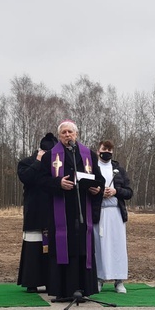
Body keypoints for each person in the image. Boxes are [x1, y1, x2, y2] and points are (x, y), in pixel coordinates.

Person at [36, 120, 104, 299]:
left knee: (82, 247)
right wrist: (58, 183)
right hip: (61, 210)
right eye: (64, 132)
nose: (67, 135)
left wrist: (97, 189)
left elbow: (99, 179)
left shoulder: (88, 154)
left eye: (70, 132)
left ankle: (83, 288)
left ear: (76, 134)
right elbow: (40, 181)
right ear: (59, 136)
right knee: (64, 247)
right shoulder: (49, 156)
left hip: (83, 209)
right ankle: (63, 290)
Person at [16, 133, 58, 293]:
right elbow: (26, 178)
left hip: (51, 213)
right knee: (33, 249)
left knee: (49, 249)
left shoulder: (55, 165)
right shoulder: (26, 163)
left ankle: (50, 280)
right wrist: (38, 162)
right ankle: (31, 281)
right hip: (34, 212)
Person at [93, 140, 133, 293]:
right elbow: (86, 188)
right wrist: (98, 192)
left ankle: (119, 280)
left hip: (116, 212)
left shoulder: (119, 170)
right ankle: (99, 278)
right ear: (98, 150)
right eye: (104, 149)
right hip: (99, 212)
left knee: (118, 246)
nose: (107, 152)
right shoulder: (92, 168)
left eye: (110, 150)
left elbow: (129, 192)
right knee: (99, 246)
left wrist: (116, 191)